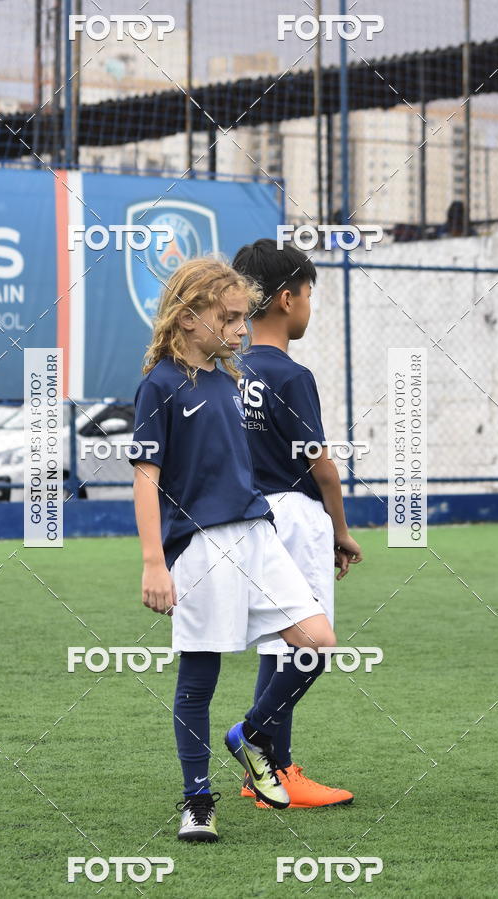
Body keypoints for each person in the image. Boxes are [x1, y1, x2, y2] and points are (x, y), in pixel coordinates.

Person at [131, 257, 337, 842]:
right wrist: (154, 562)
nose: (242, 329)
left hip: (258, 533)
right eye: (229, 318)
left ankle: (251, 733)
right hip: (200, 545)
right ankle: (198, 801)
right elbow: (145, 478)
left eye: (245, 318)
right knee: (199, 678)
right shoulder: (161, 385)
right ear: (187, 317)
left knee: (317, 641)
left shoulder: (232, 381)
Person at [232, 238, 362, 808]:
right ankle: (259, 744)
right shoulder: (291, 375)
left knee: (280, 646)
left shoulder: (229, 369)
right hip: (295, 512)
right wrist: (341, 530)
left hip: (250, 514)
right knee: (313, 646)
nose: (309, 305)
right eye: (308, 294)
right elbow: (322, 466)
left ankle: (266, 778)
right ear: (287, 299)